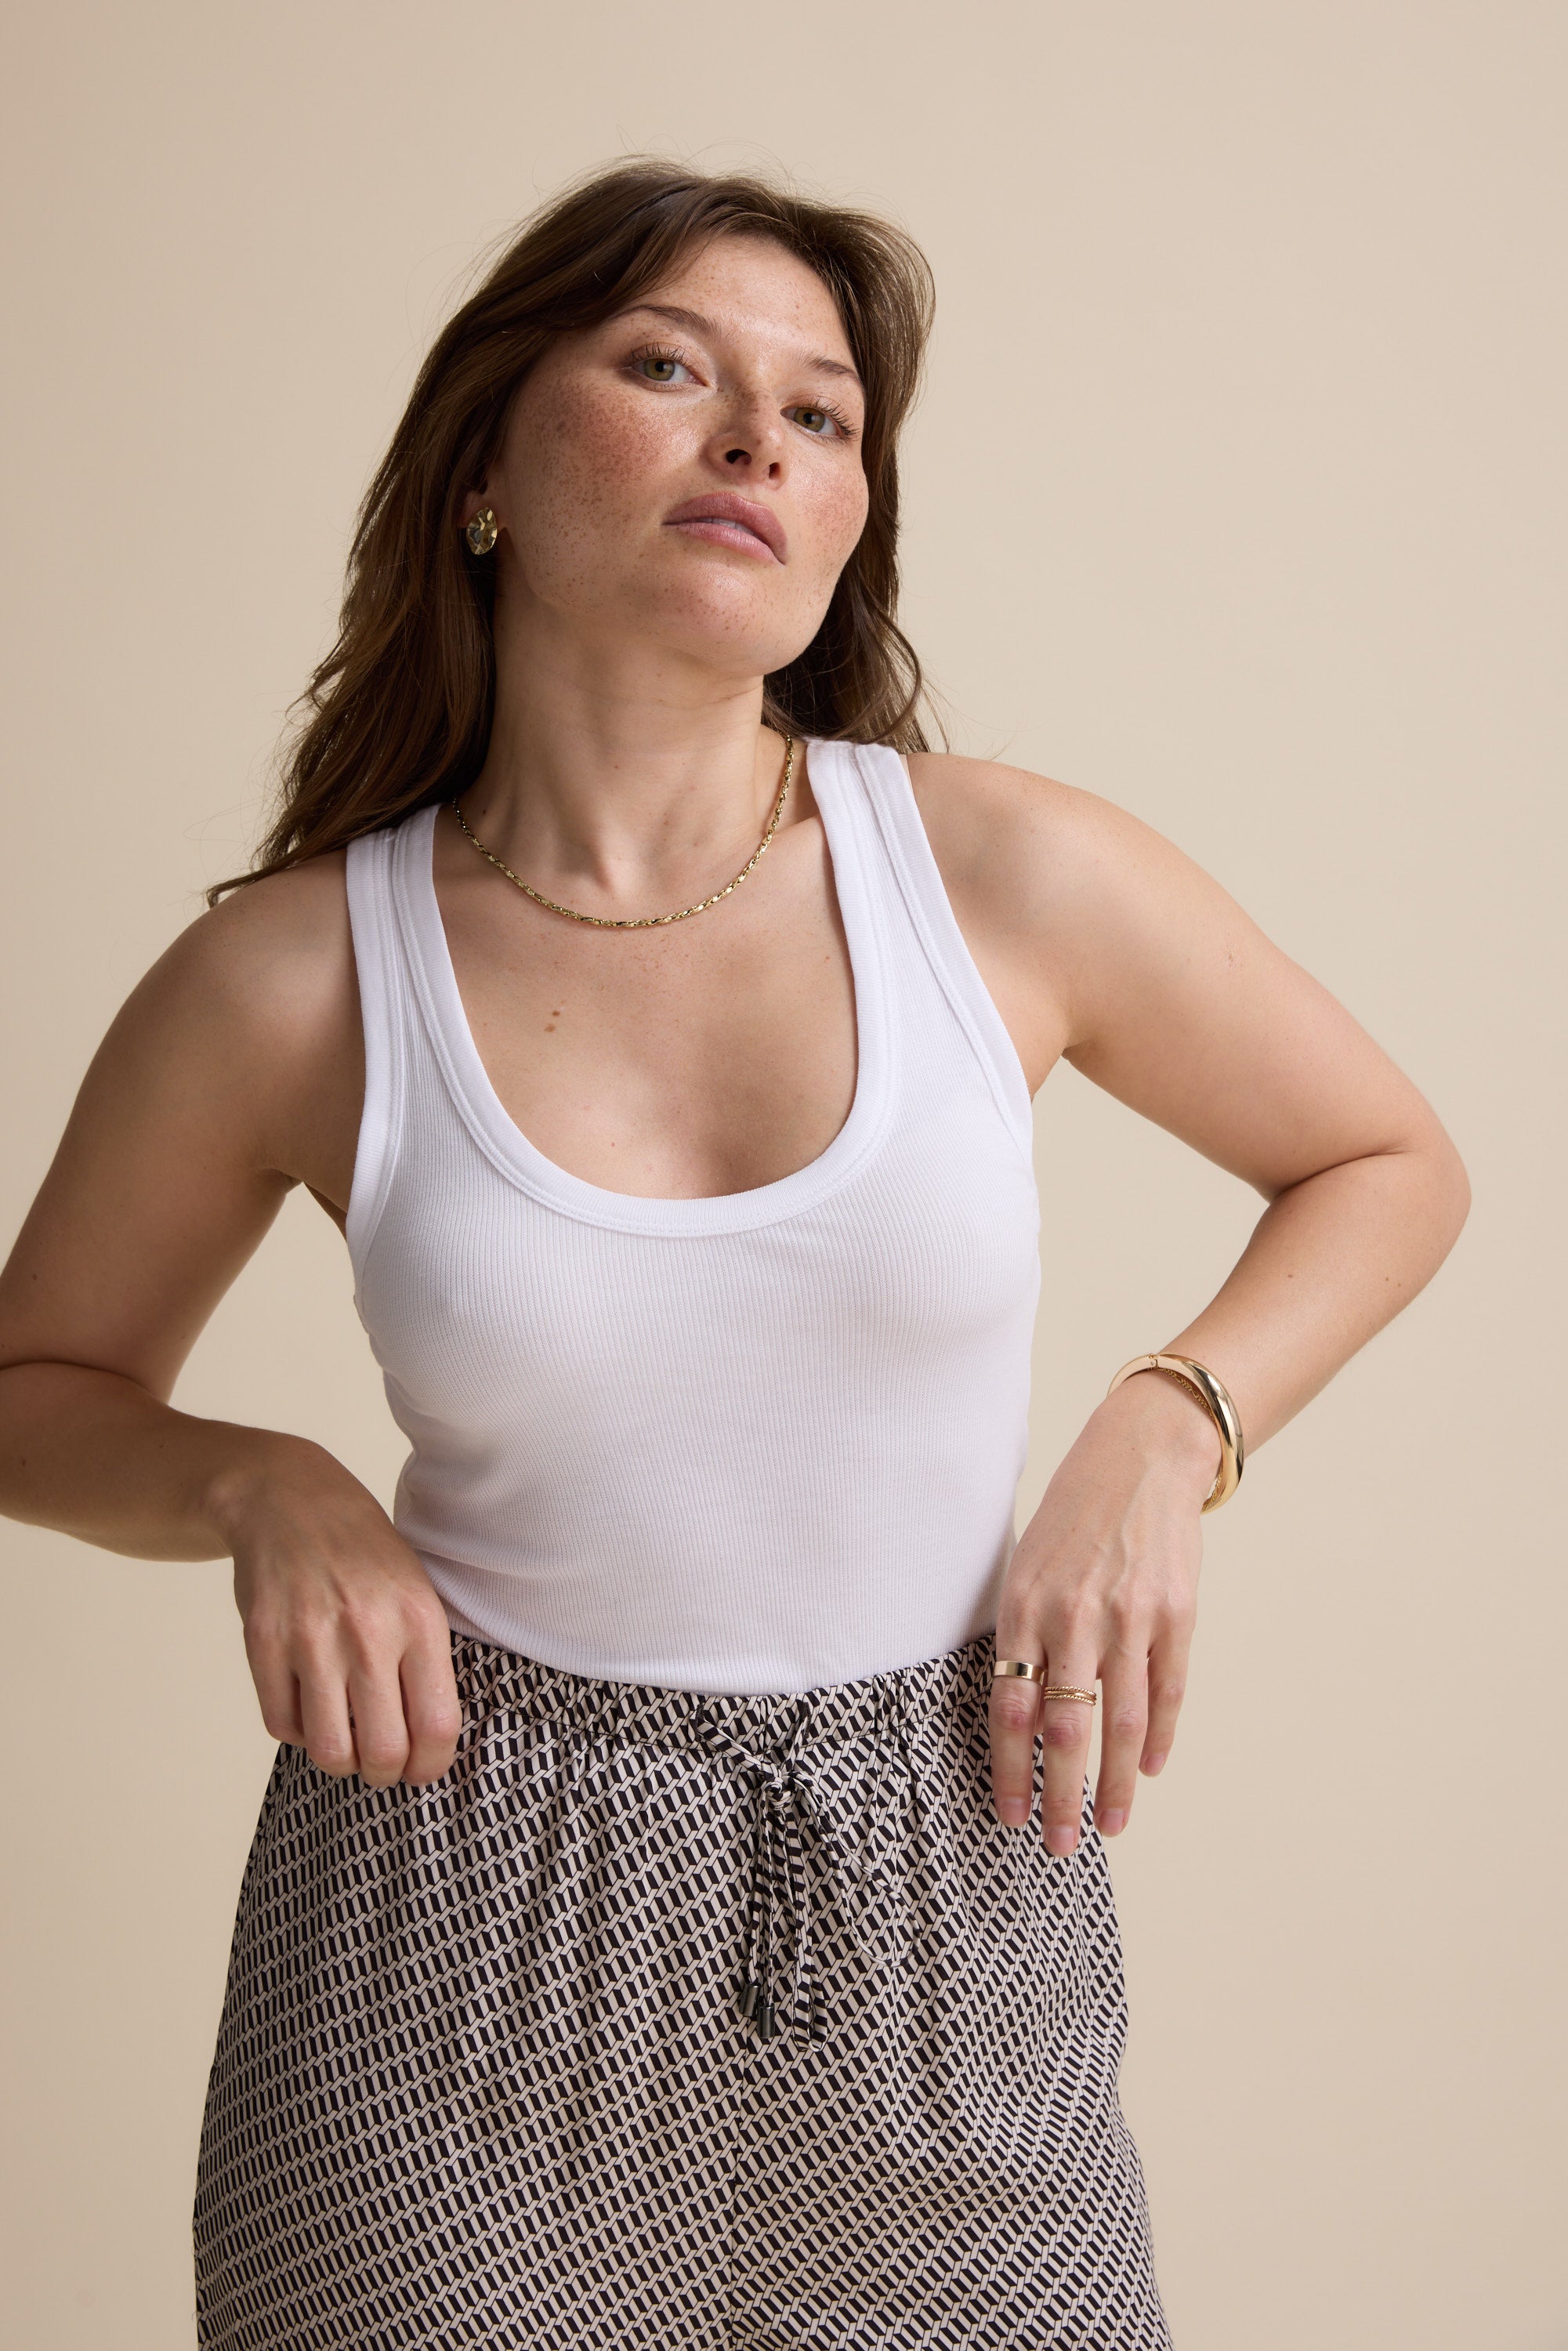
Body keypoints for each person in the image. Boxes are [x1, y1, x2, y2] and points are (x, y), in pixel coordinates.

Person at [0, 160, 1468, 2351]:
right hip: (445, 1931)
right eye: (669, 367)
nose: (759, 440)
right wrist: (258, 1485)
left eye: (823, 413)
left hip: (949, 1884)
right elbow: (38, 1391)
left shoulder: (999, 876)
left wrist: (1170, 1432)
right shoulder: (300, 977)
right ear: (485, 457)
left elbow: (1385, 1157)